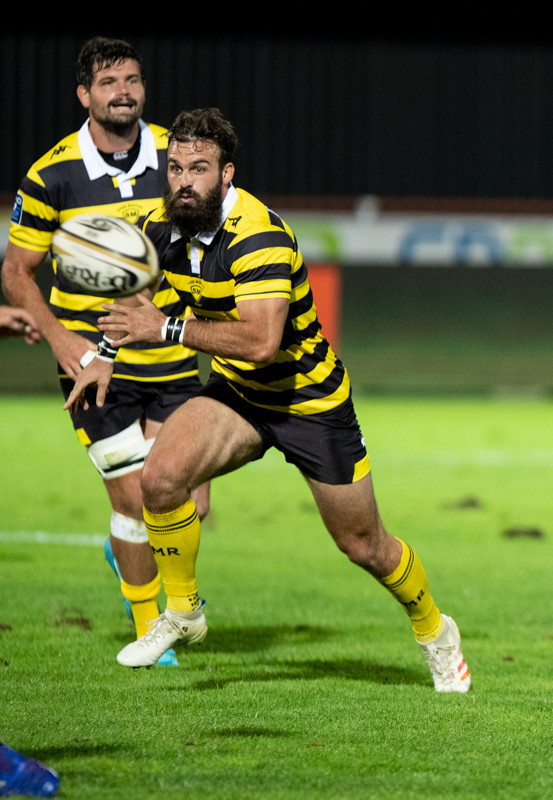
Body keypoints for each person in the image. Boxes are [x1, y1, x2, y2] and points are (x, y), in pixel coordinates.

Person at [66, 107, 471, 692]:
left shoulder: (258, 236)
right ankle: (181, 611)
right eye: (175, 167)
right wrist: (103, 351)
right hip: (240, 395)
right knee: (159, 479)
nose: (183, 181)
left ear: (227, 174)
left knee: (364, 545)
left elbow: (260, 342)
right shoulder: (164, 225)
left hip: (308, 400)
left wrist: (169, 330)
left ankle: (436, 632)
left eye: (198, 169)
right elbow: (137, 295)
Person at [3, 37, 211, 666]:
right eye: (109, 81)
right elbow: (17, 271)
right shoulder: (52, 174)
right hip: (95, 365)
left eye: (133, 79)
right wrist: (66, 345)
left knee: (190, 503)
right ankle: (154, 627)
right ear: (84, 95)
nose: (123, 90)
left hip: (171, 352)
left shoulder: (178, 156)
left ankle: (130, 559)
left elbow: (214, 235)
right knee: (133, 499)